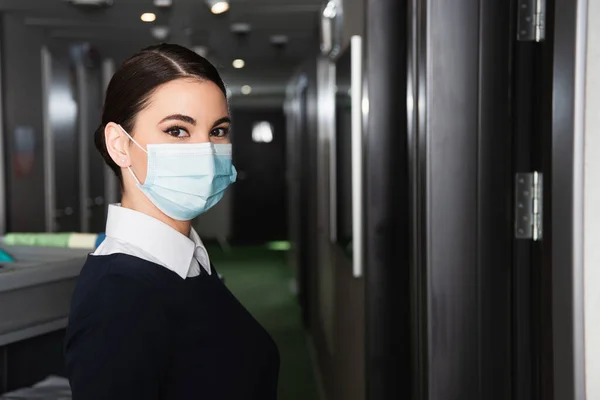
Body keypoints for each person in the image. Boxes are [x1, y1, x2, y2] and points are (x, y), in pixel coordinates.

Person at [64, 43, 280, 399]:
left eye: (218, 131)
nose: (206, 152)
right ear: (119, 144)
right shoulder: (119, 295)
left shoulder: (190, 263)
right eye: (178, 130)